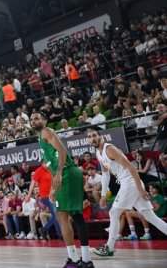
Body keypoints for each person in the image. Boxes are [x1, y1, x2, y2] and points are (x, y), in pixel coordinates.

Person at [88, 127, 167, 258]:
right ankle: (109, 247)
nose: (93, 138)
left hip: (130, 182)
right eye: (90, 137)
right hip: (126, 183)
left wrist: (140, 188)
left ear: (100, 137)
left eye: (94, 135)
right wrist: (102, 194)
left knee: (114, 212)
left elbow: (131, 167)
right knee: (150, 217)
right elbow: (106, 175)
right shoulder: (98, 153)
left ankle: (109, 247)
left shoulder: (109, 149)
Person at [30, 112, 93, 268]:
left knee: (63, 217)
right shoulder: (41, 138)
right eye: (31, 119)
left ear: (44, 121)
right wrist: (52, 187)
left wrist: (58, 173)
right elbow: (52, 165)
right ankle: (83, 260)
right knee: (73, 217)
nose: (34, 120)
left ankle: (78, 260)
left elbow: (63, 151)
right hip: (66, 174)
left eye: (37, 118)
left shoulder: (47, 131)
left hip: (66, 173)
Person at [29, 162, 61, 240]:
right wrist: (29, 194)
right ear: (43, 163)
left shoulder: (51, 170)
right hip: (45, 196)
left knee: (57, 215)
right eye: (46, 163)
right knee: (56, 214)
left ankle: (43, 230)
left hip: (54, 195)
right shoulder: (39, 171)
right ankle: (60, 235)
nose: (48, 164)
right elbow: (33, 183)